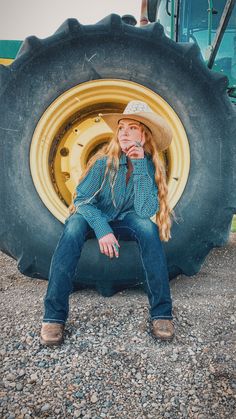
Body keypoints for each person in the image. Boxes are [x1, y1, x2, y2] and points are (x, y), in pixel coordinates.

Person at [40, 100, 174, 345]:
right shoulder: (103, 163)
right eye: (121, 128)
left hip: (126, 219)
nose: (123, 132)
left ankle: (162, 313)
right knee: (73, 227)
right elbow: (81, 201)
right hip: (93, 216)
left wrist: (141, 166)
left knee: (148, 228)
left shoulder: (149, 168)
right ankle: (53, 316)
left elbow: (145, 211)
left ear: (144, 135)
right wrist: (102, 230)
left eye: (132, 127)